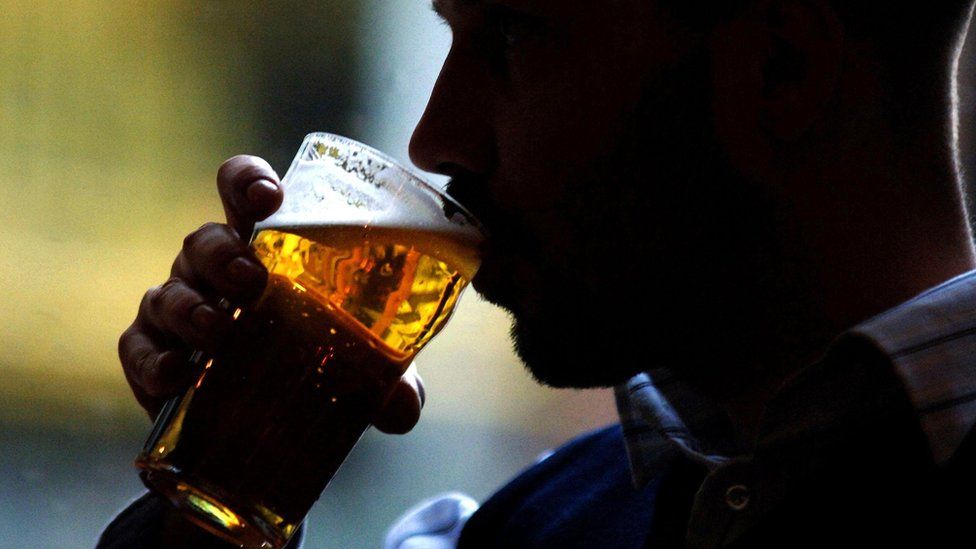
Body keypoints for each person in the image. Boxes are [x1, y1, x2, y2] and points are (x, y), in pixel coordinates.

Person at [100, 0, 976, 546]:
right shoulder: (529, 525)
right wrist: (209, 507)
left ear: (782, 67)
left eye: (513, 36)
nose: (436, 138)